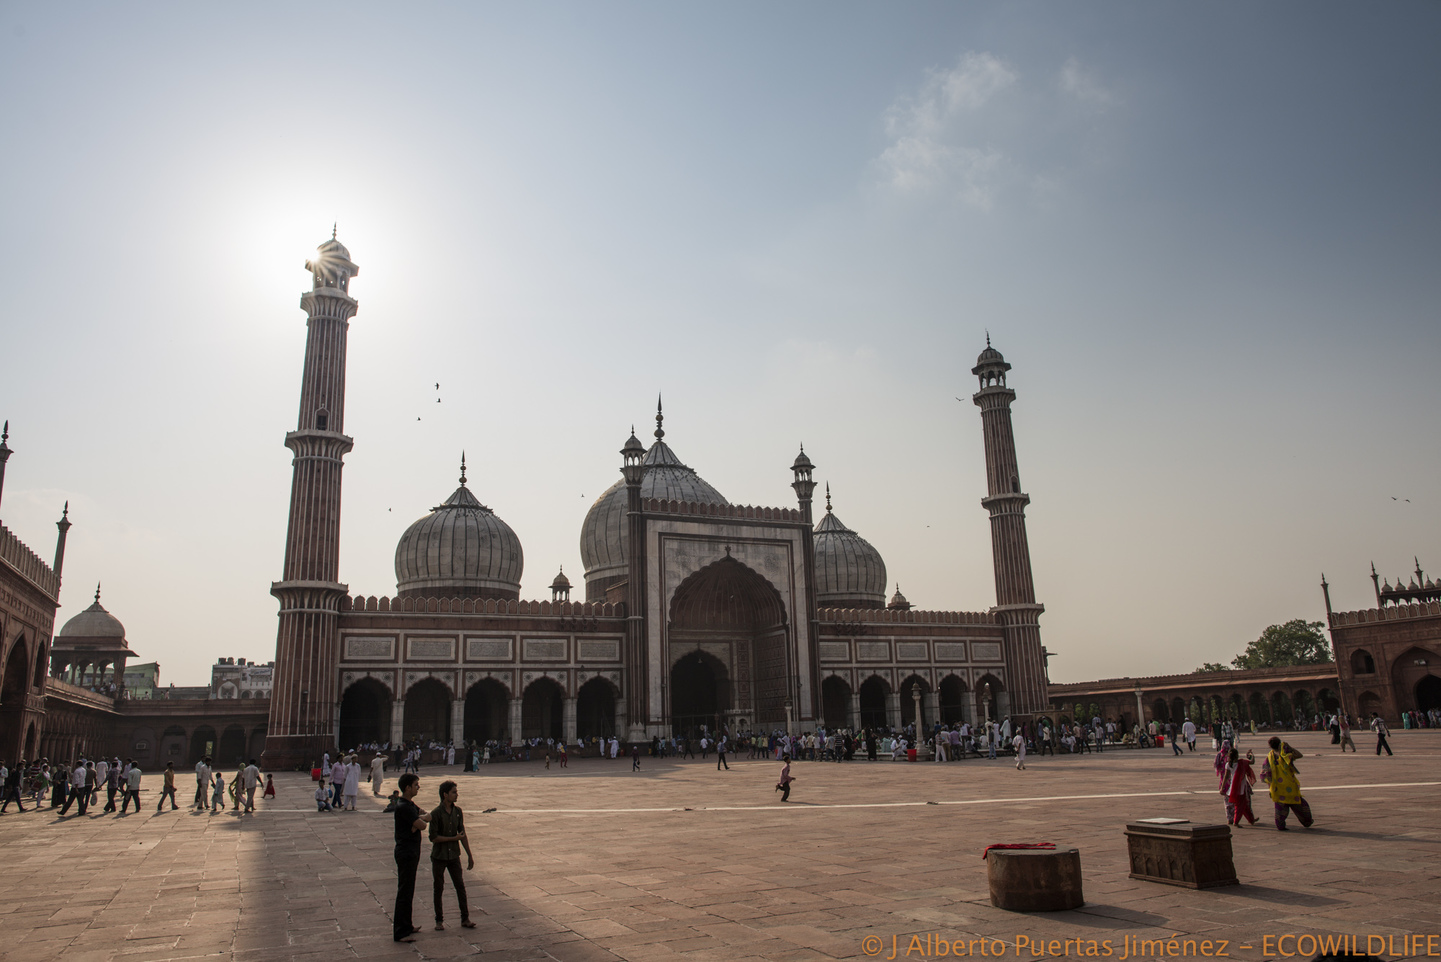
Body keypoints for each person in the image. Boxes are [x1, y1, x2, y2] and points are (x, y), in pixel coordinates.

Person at [428, 780, 477, 931]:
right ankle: (439, 920)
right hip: (440, 856)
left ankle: (465, 918)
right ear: (445, 795)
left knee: (460, 886)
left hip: (454, 855)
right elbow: (433, 837)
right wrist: (452, 839)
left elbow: (462, 834)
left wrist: (469, 854)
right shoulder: (436, 813)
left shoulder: (457, 812)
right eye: (454, 792)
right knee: (439, 887)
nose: (456, 795)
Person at [393, 773, 430, 942]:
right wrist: (417, 823)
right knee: (404, 892)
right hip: (406, 851)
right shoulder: (403, 807)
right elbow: (423, 824)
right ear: (407, 787)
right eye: (416, 785)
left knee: (409, 891)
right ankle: (400, 932)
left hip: (411, 850)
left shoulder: (409, 804)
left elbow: (425, 815)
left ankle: (407, 925)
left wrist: (417, 823)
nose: (418, 787)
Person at [1260, 736, 1313, 831]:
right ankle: (1307, 821)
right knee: (1299, 804)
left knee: (1280, 808)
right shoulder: (1285, 755)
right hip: (1290, 786)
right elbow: (1299, 755)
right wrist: (1289, 747)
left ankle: (1280, 825)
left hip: (1277, 787)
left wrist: (1270, 787)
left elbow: (1266, 774)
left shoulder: (1269, 757)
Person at [1221, 748, 1257, 826]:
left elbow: (1226, 777)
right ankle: (1236, 821)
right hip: (1240, 788)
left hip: (1233, 788)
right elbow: (1252, 762)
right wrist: (1251, 755)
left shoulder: (1228, 765)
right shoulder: (1242, 763)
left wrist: (1222, 787)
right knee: (1240, 805)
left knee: (1244, 805)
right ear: (1237, 756)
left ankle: (1251, 820)